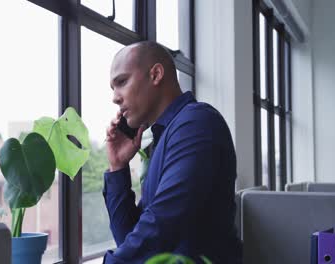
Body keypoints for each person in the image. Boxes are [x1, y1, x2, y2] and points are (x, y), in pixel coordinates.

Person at [103, 41, 242, 263]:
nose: (115, 97)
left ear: (156, 74)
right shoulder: (167, 136)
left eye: (122, 82)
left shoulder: (196, 123)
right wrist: (118, 166)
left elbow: (161, 228)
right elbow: (131, 239)